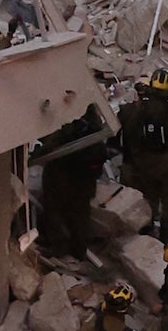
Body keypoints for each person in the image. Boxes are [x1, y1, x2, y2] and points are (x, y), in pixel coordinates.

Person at [115, 71, 168, 243]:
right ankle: (167, 236)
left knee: (150, 196)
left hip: (145, 162)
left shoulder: (141, 106)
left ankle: (149, 228)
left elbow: (130, 132)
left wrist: (136, 157)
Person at [30, 101, 112, 261]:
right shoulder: (91, 117)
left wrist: (35, 158)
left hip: (64, 176)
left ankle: (59, 245)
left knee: (55, 210)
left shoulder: (70, 120)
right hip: (83, 179)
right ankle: (78, 248)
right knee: (79, 214)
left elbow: (54, 141)